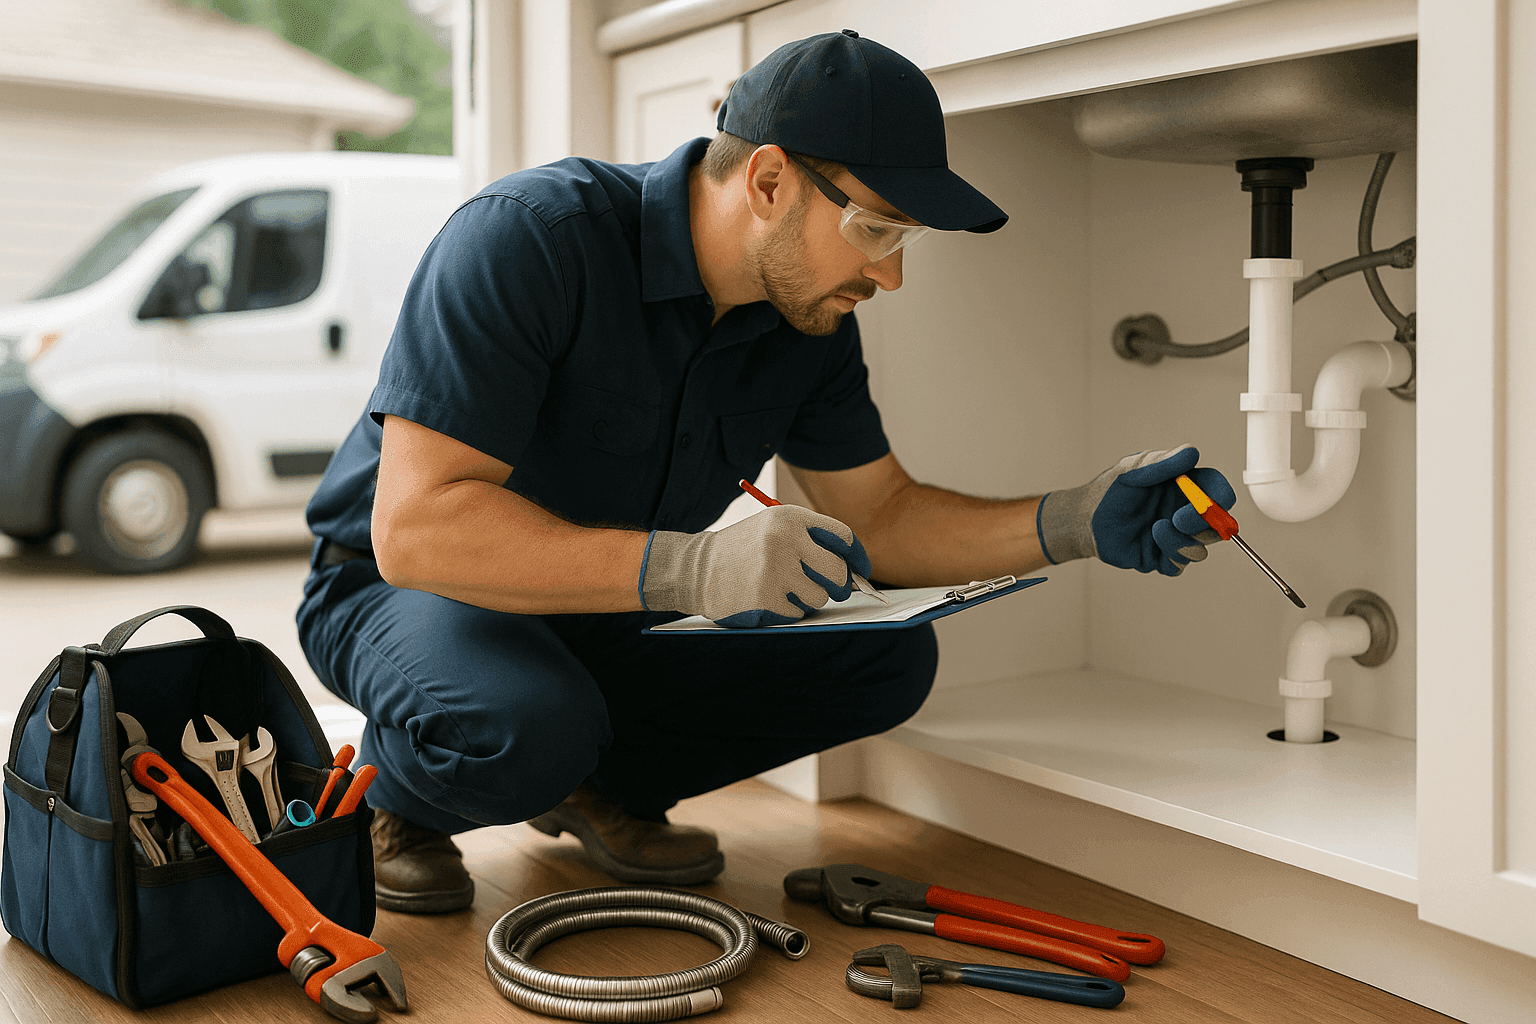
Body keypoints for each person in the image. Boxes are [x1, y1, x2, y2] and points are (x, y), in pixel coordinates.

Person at [296, 29, 1235, 914]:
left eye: (903, 239)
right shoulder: (530, 239)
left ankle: (592, 785)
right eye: (877, 228)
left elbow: (884, 515)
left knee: (885, 658)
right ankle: (393, 796)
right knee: (523, 725)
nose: (891, 277)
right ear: (771, 180)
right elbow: (415, 531)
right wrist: (696, 567)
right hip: (401, 590)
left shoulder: (808, 325)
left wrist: (1076, 519)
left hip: (600, 608)